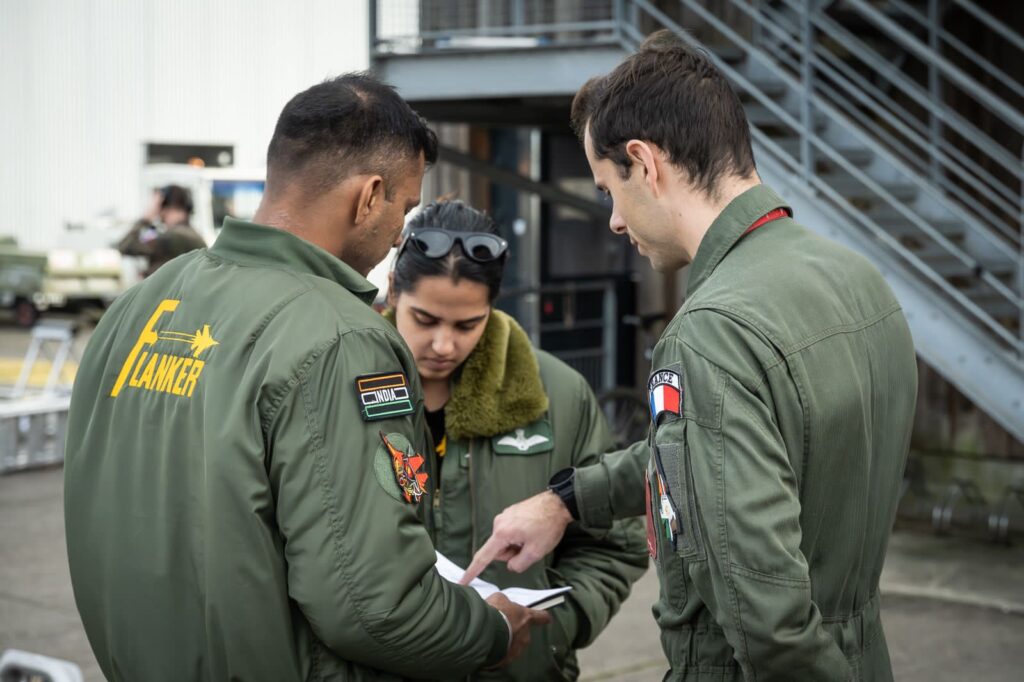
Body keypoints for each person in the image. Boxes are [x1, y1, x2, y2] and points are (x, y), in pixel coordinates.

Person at [462, 32, 918, 681]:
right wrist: (568, 499)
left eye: (608, 190)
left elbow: (769, 622)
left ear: (645, 164)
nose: (614, 221)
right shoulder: (857, 280)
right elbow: (727, 453)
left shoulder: (710, 334)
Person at [64, 73, 550, 682]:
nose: (398, 235)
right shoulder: (343, 338)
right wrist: (491, 629)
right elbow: (375, 607)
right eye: (403, 209)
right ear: (369, 196)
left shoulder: (142, 303)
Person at [386, 199, 648, 681]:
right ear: (392, 291)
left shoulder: (558, 396)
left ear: (492, 307)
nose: (443, 345)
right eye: (424, 319)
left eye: (467, 325)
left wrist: (555, 628)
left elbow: (615, 544)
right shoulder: (345, 386)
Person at [118, 184, 207, 276]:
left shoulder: (175, 236)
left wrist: (146, 219)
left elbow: (126, 246)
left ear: (161, 205)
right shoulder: (187, 234)